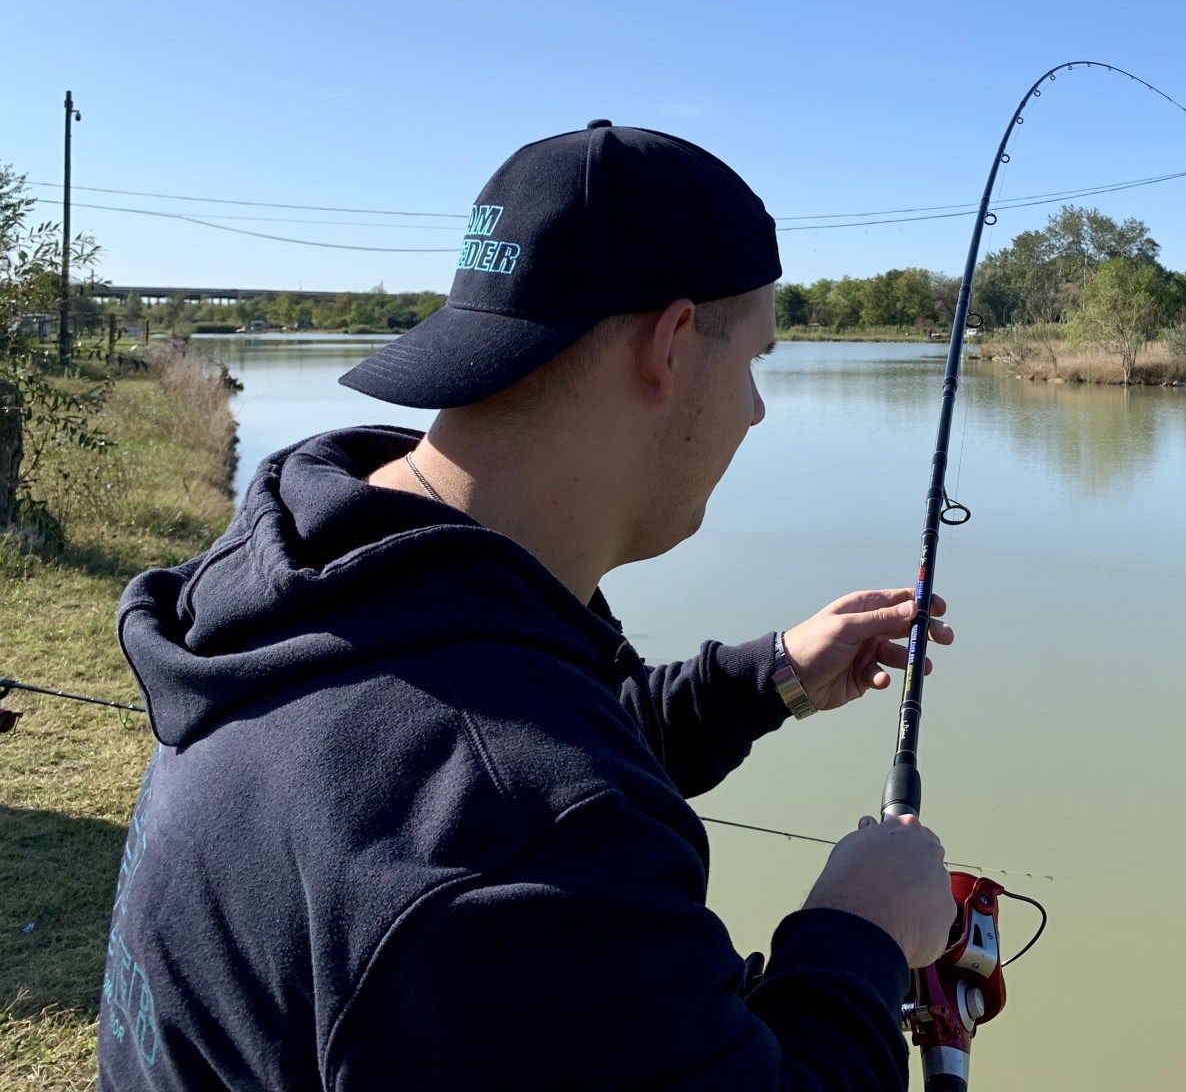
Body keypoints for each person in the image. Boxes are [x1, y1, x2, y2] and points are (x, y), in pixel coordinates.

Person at [100, 121, 959, 1090]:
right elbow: (517, 798)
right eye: (755, 359)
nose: (755, 411)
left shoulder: (318, 586)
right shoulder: (514, 839)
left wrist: (767, 678)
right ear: (670, 346)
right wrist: (859, 936)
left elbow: (520, 747)